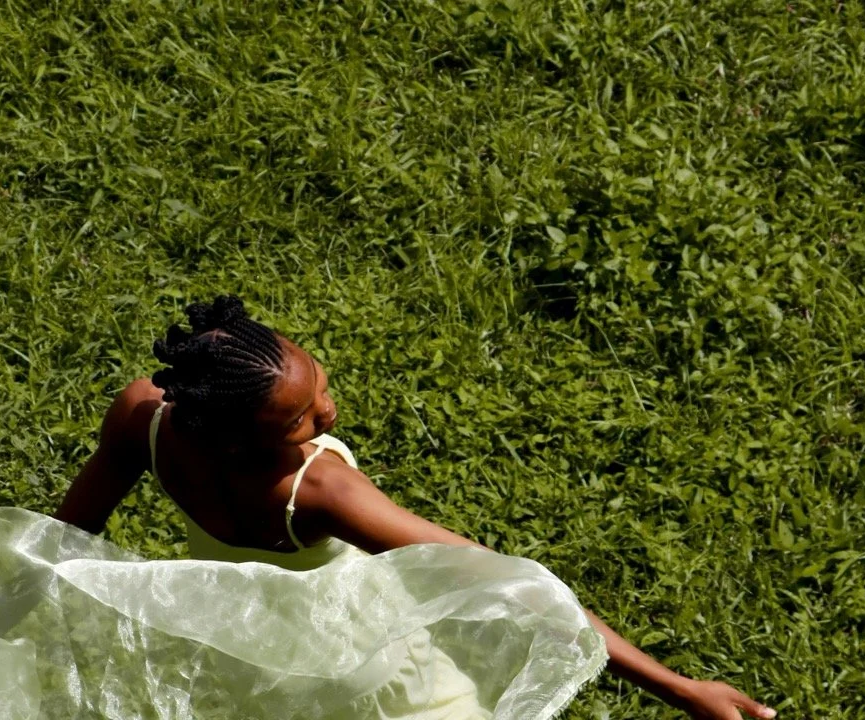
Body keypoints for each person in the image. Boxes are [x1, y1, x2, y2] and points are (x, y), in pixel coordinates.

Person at [50, 295, 777, 720]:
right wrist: (681, 688)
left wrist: (10, 605)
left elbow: (66, 535)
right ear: (241, 442)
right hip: (379, 680)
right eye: (302, 420)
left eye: (318, 389)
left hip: (254, 666)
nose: (328, 414)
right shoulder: (320, 492)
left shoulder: (147, 418)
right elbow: (507, 582)